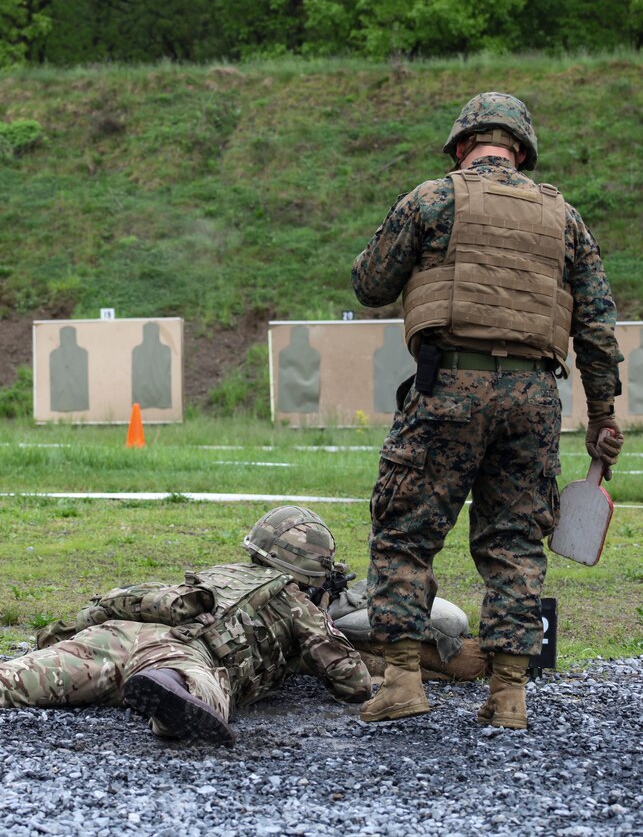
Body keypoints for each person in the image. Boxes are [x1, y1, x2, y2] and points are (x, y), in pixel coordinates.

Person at [351, 92, 624, 729]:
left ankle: (402, 681)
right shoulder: (565, 217)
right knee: (513, 543)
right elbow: (598, 327)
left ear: (460, 147)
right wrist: (603, 415)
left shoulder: (431, 199)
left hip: (448, 386)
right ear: (522, 153)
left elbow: (370, 284)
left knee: (406, 532)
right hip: (533, 398)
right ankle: (508, 696)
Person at [0, 506, 371, 745]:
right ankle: (171, 693)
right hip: (180, 651)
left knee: (18, 681)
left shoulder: (224, 573)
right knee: (203, 690)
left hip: (118, 631)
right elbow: (352, 681)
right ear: (309, 570)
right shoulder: (296, 601)